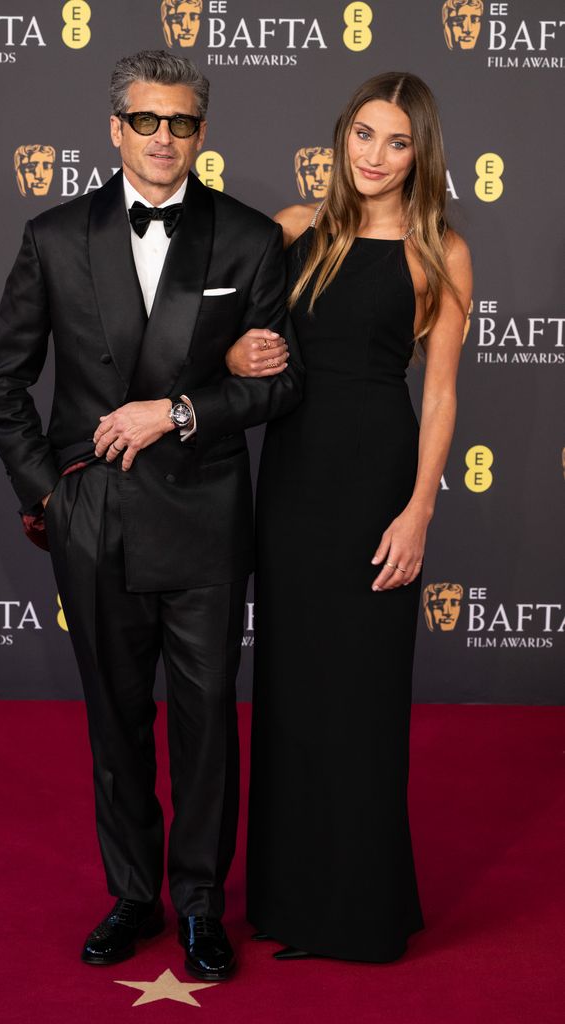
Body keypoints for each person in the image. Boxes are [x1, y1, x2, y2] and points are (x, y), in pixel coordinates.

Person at [0, 49, 302, 982]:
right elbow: (1, 381)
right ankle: (132, 893)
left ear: (204, 131)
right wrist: (51, 492)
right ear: (116, 127)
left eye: (183, 123)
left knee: (206, 720)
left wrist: (187, 407)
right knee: (115, 722)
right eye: (147, 122)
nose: (165, 139)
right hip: (97, 519)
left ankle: (200, 901)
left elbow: (284, 388)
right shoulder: (53, 235)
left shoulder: (247, 239)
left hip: (203, 516)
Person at [227, 71, 472, 962]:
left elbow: (440, 396)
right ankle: (288, 902)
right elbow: (228, 332)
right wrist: (234, 348)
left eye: (396, 141)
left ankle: (360, 909)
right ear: (342, 139)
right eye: (363, 135)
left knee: (364, 698)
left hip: (378, 479)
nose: (374, 156)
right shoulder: (296, 231)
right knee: (292, 692)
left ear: (421, 152)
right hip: (293, 480)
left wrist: (418, 515)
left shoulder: (439, 248)